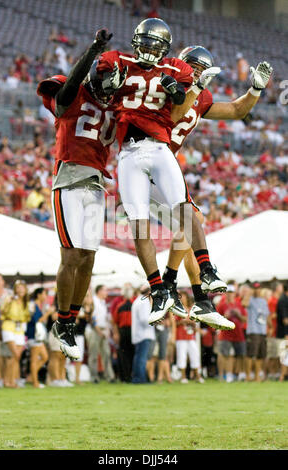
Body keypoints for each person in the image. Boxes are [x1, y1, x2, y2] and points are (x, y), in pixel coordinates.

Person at [97, 18, 221, 325]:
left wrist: (178, 92)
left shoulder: (175, 69)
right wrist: (106, 79)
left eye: (157, 45)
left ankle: (206, 270)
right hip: (128, 152)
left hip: (160, 148)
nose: (151, 50)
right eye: (147, 43)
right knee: (138, 225)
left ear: (166, 49)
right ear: (137, 42)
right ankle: (160, 289)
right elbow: (99, 75)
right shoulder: (119, 60)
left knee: (185, 210)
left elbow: (180, 103)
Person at [152, 46, 273, 329]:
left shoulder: (201, 95)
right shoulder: (166, 84)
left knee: (193, 223)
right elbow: (171, 114)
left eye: (201, 70)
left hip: (166, 165)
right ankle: (170, 285)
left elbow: (235, 109)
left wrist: (255, 90)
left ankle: (200, 300)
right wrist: (190, 87)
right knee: (192, 220)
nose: (196, 73)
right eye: (192, 67)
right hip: (149, 158)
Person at [37, 29, 114, 360]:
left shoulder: (115, 107)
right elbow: (69, 87)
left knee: (88, 259)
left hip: (96, 183)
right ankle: (61, 321)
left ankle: (70, 322)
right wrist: (94, 49)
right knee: (70, 256)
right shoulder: (72, 94)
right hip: (68, 177)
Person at [0, 280, 30, 388]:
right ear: (15, 289)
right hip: (8, 327)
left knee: (15, 357)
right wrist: (8, 302)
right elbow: (2, 311)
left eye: (22, 287)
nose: (20, 290)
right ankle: (8, 381)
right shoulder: (9, 299)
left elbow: (27, 317)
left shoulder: (26, 303)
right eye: (18, 287)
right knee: (15, 354)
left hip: (20, 329)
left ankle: (10, 381)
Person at [216, 285, 247, 382]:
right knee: (225, 355)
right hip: (225, 334)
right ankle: (226, 374)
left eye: (231, 292)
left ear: (234, 294)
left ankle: (239, 374)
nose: (230, 295)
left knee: (241, 354)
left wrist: (238, 314)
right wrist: (225, 317)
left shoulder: (238, 304)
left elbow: (245, 319)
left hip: (238, 333)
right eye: (228, 292)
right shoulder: (221, 305)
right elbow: (216, 320)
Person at [26, 288, 54, 388]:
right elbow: (37, 320)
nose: (46, 297)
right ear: (38, 295)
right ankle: (35, 382)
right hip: (33, 335)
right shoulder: (32, 305)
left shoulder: (39, 305)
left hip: (38, 336)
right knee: (34, 359)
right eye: (44, 294)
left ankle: (31, 376)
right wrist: (48, 313)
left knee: (45, 357)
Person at [87, 285, 115, 383]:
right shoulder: (93, 301)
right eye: (105, 290)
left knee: (106, 354)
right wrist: (99, 331)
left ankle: (109, 376)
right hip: (95, 330)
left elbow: (106, 318)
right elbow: (91, 318)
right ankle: (94, 377)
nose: (106, 293)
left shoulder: (103, 302)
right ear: (99, 291)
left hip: (103, 330)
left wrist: (106, 330)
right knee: (93, 354)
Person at [243, 283, 270, 382]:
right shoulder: (250, 299)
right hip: (253, 330)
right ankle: (247, 376)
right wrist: (249, 294)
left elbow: (267, 315)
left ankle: (257, 377)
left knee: (260, 355)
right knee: (250, 354)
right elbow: (244, 304)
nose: (257, 290)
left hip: (262, 331)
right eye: (255, 288)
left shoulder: (263, 301)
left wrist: (270, 327)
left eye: (258, 288)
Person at [175, 292, 204, 383]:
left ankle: (197, 376)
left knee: (195, 355)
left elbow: (196, 323)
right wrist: (182, 322)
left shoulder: (191, 309)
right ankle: (183, 377)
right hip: (181, 336)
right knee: (182, 356)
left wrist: (192, 323)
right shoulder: (177, 310)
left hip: (191, 335)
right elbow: (174, 323)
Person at [131, 284, 155, 384]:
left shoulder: (138, 301)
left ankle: (137, 378)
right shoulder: (144, 302)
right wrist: (155, 321)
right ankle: (140, 379)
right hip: (144, 335)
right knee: (142, 358)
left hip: (140, 334)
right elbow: (144, 319)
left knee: (138, 357)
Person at [111, 283, 135, 383]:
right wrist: (116, 333)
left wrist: (116, 333)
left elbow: (114, 322)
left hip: (128, 331)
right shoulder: (123, 305)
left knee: (127, 354)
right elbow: (114, 322)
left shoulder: (131, 304)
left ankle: (127, 376)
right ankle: (126, 376)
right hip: (126, 331)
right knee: (127, 354)